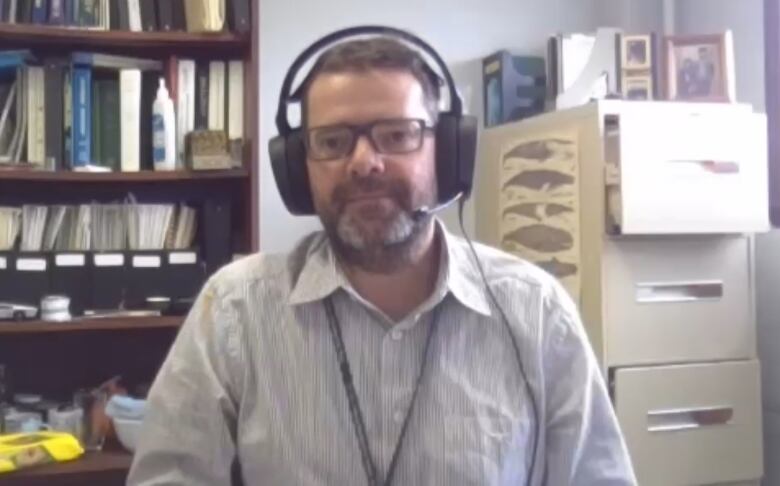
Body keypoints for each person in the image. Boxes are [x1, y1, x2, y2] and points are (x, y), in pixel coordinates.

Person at [128, 27, 637, 486]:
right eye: (331, 141)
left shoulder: (536, 313)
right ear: (296, 170)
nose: (364, 163)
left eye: (397, 135)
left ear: (447, 152)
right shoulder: (234, 310)